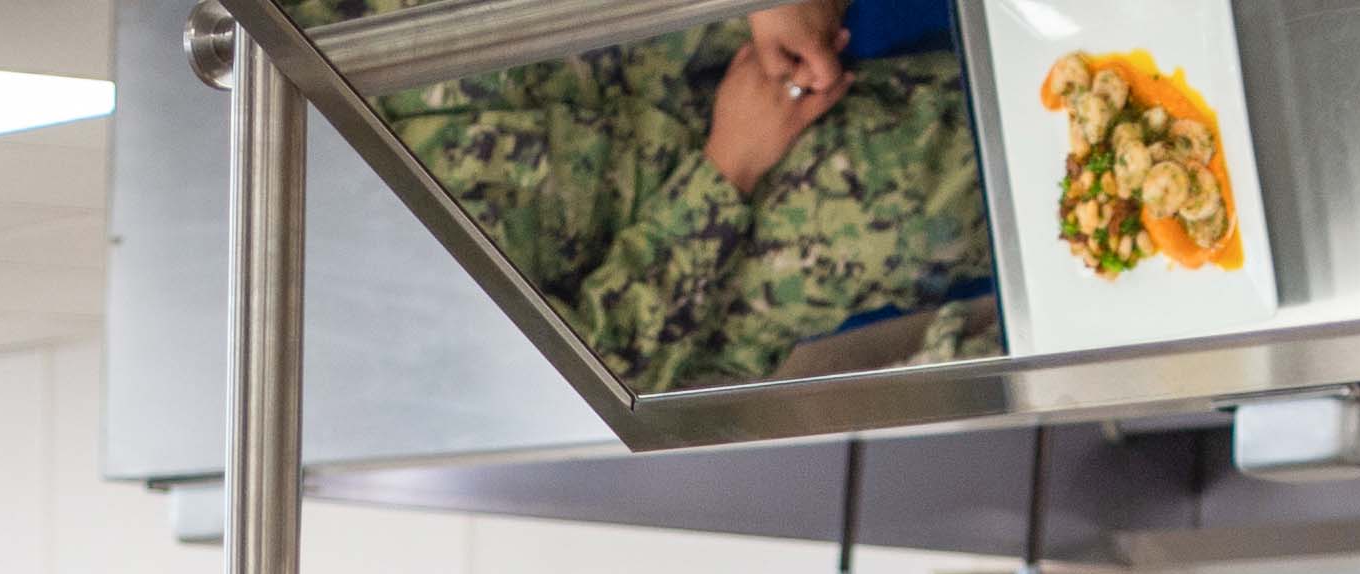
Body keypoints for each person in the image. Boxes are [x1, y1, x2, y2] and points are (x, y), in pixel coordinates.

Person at [314, 0, 998, 390]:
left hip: (641, 34)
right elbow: (585, 373)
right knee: (950, 179)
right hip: (699, 242)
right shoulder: (336, 321)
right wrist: (727, 169)